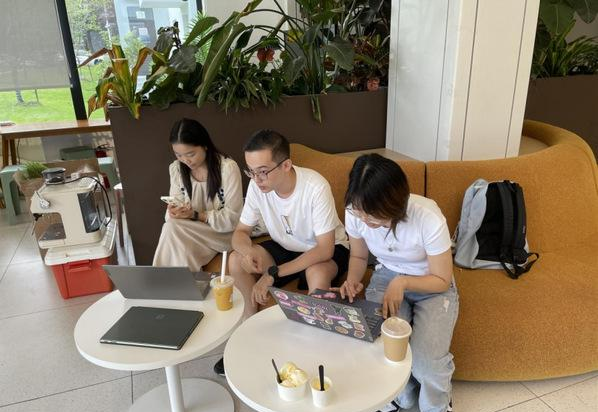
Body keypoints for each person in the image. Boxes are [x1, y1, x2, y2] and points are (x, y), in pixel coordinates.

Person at [212, 129, 349, 376]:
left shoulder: (315, 186)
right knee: (235, 260)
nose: (256, 179)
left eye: (263, 171)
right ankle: (249, 332)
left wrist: (272, 274)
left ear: (286, 165)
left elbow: (325, 248)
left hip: (324, 250)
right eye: (251, 171)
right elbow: (240, 233)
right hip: (286, 247)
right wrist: (247, 252)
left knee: (317, 272)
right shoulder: (257, 187)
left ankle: (315, 347)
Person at [338, 154, 458, 412]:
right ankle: (397, 397)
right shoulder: (355, 212)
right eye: (360, 213)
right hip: (386, 276)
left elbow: (441, 280)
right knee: (385, 347)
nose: (365, 221)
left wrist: (402, 282)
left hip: (431, 282)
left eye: (373, 216)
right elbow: (359, 256)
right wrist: (352, 280)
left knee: (426, 363)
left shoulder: (428, 218)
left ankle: (437, 405)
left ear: (394, 204)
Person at [152, 118, 243, 272]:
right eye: (178, 155)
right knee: (171, 227)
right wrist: (174, 213)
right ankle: (178, 283)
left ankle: (161, 281)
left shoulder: (227, 169)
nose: (185, 160)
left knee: (173, 230)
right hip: (190, 232)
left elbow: (233, 219)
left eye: (191, 154)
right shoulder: (177, 169)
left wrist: (196, 215)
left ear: (205, 145)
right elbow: (171, 219)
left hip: (223, 234)